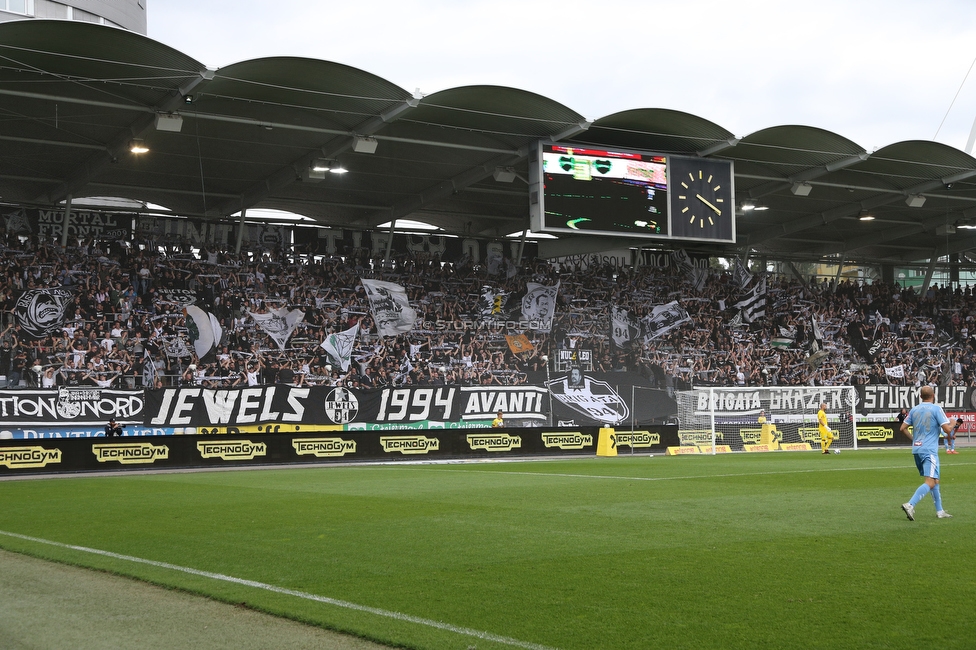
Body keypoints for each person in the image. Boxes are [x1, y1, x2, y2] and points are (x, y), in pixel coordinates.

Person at [899, 385, 954, 520]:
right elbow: (947, 430)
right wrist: (952, 423)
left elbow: (902, 428)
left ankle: (940, 511)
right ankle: (910, 504)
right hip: (929, 450)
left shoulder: (914, 409)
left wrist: (914, 440)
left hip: (917, 449)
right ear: (933, 395)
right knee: (930, 481)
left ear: (920, 396)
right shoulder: (936, 409)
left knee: (935, 480)